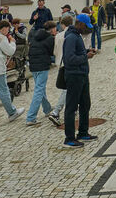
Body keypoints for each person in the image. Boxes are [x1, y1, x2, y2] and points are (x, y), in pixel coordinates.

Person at [61, 13, 98, 147]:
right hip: (74, 76)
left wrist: (87, 51)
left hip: (81, 75)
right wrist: (86, 56)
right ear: (80, 24)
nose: (87, 29)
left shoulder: (77, 36)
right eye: (85, 26)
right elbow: (69, 59)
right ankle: (69, 138)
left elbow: (77, 53)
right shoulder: (71, 37)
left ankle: (83, 132)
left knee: (85, 104)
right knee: (71, 107)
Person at [25, 20, 57, 126]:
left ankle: (47, 109)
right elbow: (52, 52)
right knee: (39, 90)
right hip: (42, 66)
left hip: (33, 66)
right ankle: (31, 117)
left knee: (40, 88)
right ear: (52, 29)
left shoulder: (36, 36)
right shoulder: (50, 38)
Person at [49, 13, 75, 126]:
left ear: (62, 24)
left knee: (71, 88)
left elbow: (55, 51)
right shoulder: (73, 34)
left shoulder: (58, 36)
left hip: (60, 63)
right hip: (69, 64)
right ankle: (56, 112)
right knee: (67, 89)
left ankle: (74, 107)